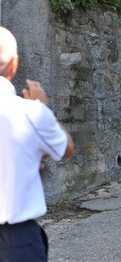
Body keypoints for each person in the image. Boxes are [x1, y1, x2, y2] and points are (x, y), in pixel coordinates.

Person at [0, 26, 74, 261]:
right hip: (14, 238)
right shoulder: (30, 113)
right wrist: (43, 109)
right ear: (13, 64)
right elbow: (66, 148)